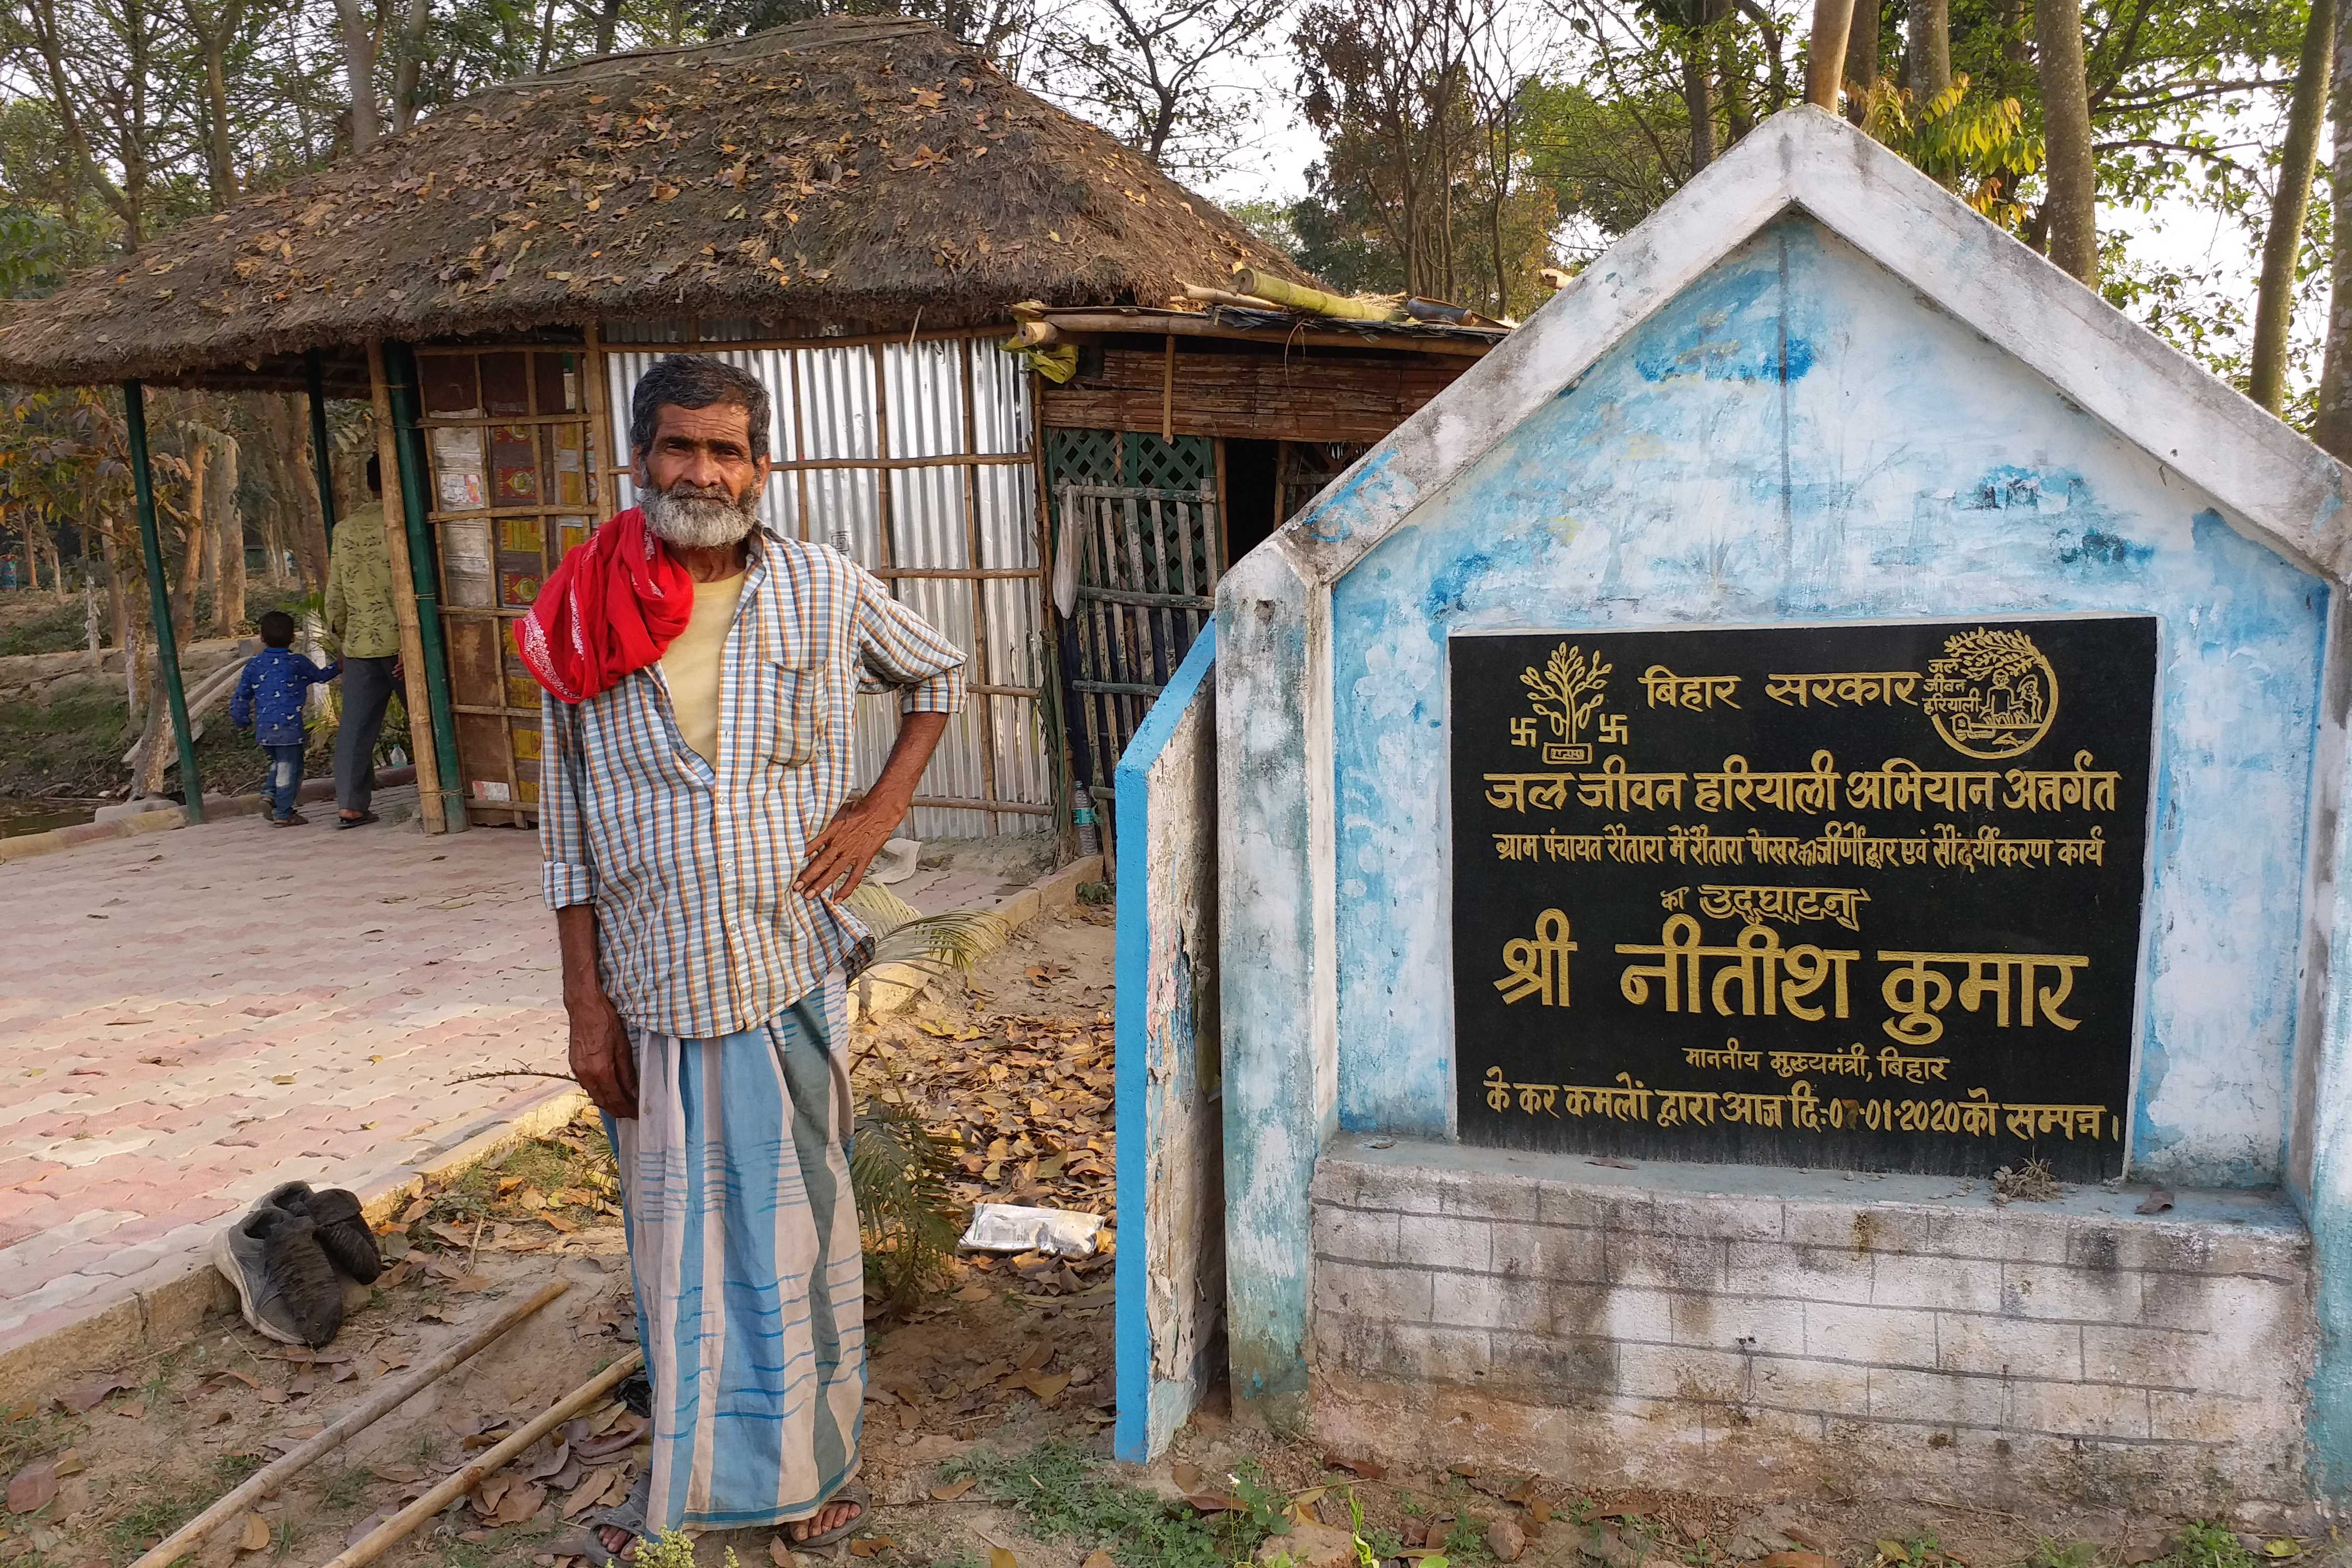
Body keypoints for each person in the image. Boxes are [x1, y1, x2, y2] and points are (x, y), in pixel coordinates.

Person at [514, 354, 965, 1559]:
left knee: (796, 1232)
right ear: (640, 458)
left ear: (761, 468)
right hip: (650, 978)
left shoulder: (822, 587)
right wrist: (582, 1004)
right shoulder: (574, 612)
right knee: (674, 1234)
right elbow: (564, 828)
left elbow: (938, 674)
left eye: (727, 450)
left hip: (783, 965)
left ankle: (808, 1459)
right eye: (680, 447)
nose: (702, 472)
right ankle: (700, 1446)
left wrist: (877, 812)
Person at [323, 454, 402, 829]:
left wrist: (340, 638)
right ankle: (454, 791)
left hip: (359, 644)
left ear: (368, 483)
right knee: (435, 722)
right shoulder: (404, 524)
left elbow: (335, 595)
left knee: (355, 728)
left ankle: (351, 804)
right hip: (407, 645)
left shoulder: (345, 530)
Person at [230, 609, 339, 826]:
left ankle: (269, 793)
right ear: (293, 638)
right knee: (291, 768)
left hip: (264, 728)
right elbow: (322, 676)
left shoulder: (254, 665)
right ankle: (283, 813)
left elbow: (241, 696)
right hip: (290, 727)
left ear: (262, 638)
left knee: (279, 763)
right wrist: (340, 664)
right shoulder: (297, 662)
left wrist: (241, 720)